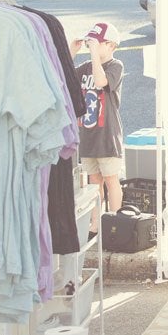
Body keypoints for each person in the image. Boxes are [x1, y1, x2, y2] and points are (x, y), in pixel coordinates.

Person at [74, 20, 125, 232]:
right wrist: (72, 50)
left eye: (98, 43)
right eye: (90, 43)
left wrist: (94, 54)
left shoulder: (116, 66)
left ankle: (114, 221)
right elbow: (65, 76)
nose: (92, 47)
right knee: (94, 182)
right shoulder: (85, 67)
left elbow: (101, 81)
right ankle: (96, 222)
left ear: (111, 45)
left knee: (111, 179)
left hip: (107, 135)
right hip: (88, 135)